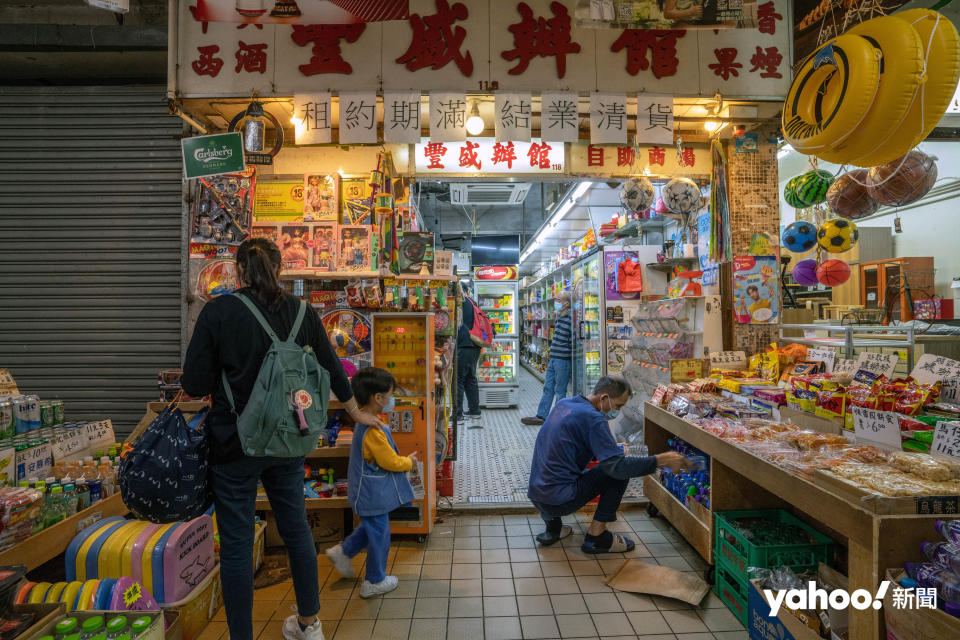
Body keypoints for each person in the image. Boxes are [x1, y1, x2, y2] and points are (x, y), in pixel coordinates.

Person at [182, 237, 386, 640]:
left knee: (238, 543)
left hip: (234, 445)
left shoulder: (218, 311)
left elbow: (194, 382)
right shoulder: (302, 313)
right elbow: (331, 368)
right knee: (296, 529)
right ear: (280, 270)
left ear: (238, 271)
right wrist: (356, 411)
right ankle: (310, 623)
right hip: (290, 440)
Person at [527, 376, 692, 553]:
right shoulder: (594, 419)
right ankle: (596, 537)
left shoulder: (565, 404)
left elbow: (568, 448)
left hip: (537, 495)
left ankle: (553, 526)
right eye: (619, 406)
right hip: (558, 500)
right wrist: (662, 459)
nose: (617, 411)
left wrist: (611, 449)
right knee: (618, 472)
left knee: (576, 468)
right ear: (604, 398)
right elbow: (618, 468)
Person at [324, 368, 417, 598]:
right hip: (371, 494)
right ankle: (374, 581)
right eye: (390, 394)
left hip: (367, 492)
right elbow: (389, 461)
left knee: (372, 527)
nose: (392, 400)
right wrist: (408, 462)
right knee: (380, 535)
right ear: (378, 398)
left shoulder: (364, 420)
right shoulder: (373, 430)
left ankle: (343, 552)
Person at [522, 291, 573, 426]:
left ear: (566, 304)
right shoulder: (558, 318)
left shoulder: (571, 319)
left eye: (558, 300)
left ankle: (558, 418)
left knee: (560, 391)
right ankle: (542, 415)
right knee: (547, 387)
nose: (556, 302)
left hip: (563, 360)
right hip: (553, 358)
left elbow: (572, 342)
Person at [456, 282, 483, 428]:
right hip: (475, 345)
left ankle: (458, 414)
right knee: (471, 378)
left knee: (459, 379)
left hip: (464, 345)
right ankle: (474, 410)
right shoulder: (473, 303)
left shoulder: (462, 303)